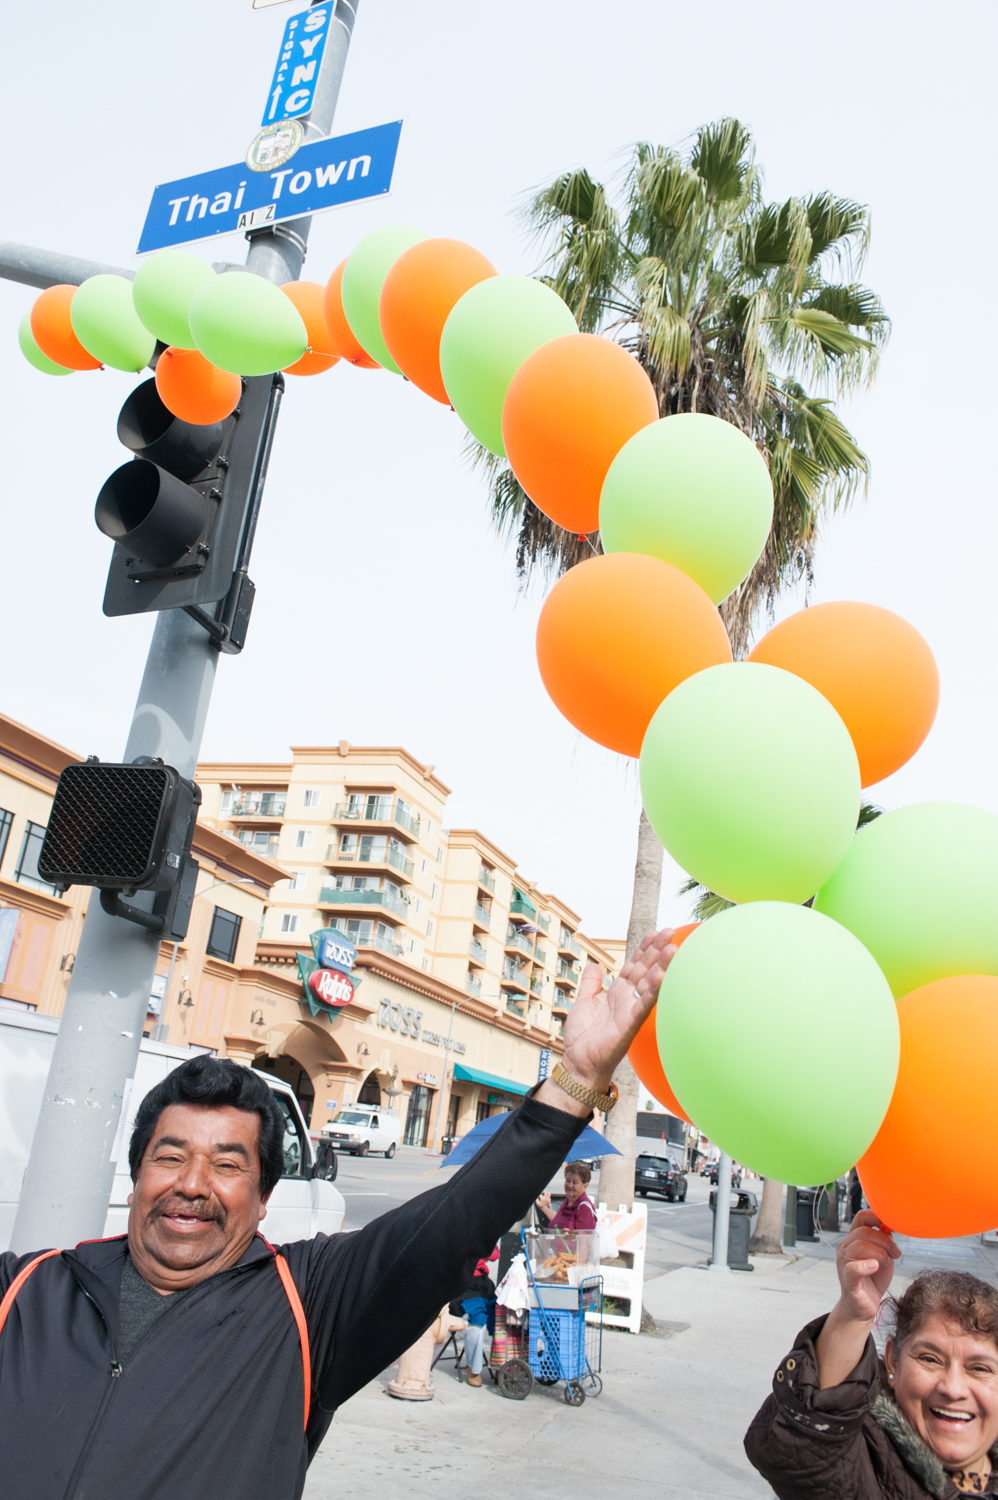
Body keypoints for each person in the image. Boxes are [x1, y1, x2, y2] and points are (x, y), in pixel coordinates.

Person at [0, 927, 676, 1500]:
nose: (193, 1185)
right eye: (170, 1157)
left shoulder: (307, 1305)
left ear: (264, 1197)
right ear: (139, 1173)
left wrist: (574, 1079)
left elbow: (452, 1221)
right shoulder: (27, 1292)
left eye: (228, 1165)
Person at [745, 1209, 998, 1497]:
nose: (953, 1389)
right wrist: (853, 1315)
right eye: (929, 1359)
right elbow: (805, 1453)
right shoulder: (864, 1459)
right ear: (892, 1361)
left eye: (979, 1368)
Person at [535, 1160, 598, 1232]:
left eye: (575, 1183)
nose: (570, 1185)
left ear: (585, 1186)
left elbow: (584, 1241)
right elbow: (559, 1220)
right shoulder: (568, 1200)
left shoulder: (584, 1208)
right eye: (568, 1181)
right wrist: (544, 1207)